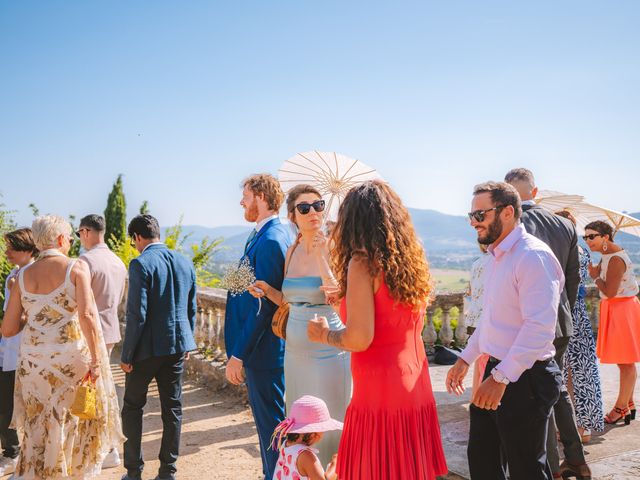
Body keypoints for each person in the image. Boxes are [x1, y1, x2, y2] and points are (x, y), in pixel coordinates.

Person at [308, 180, 447, 480]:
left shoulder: (362, 263)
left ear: (353, 220)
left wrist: (324, 335)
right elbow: (396, 322)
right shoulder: (409, 261)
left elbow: (359, 338)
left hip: (379, 390)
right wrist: (342, 301)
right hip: (415, 382)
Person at [446, 181, 563, 479]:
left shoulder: (532, 256)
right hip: (498, 371)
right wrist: (465, 358)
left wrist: (500, 378)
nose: (474, 223)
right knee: (483, 460)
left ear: (508, 212)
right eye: (471, 216)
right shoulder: (498, 255)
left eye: (480, 215)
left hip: (525, 378)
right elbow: (491, 320)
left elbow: (539, 329)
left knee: (526, 469)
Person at [1, 215, 123, 479]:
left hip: (34, 364)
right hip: (69, 360)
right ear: (59, 239)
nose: (70, 241)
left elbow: (8, 329)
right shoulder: (76, 268)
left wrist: (33, 316)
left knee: (38, 423)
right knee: (70, 421)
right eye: (69, 237)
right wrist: (96, 359)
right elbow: (88, 316)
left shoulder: (20, 277)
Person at [248, 184, 351, 467]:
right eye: (304, 208)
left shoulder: (334, 248)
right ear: (292, 216)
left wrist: (321, 257)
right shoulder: (291, 251)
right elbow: (290, 301)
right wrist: (268, 290)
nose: (313, 212)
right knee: (301, 422)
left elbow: (340, 299)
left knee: (330, 420)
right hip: (294, 353)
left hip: (328, 351)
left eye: (318, 205)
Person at [505, 168, 589, 479]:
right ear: (535, 192)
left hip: (526, 323)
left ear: (507, 194)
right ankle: (576, 459)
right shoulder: (565, 224)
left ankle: (550, 467)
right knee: (556, 391)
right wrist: (559, 310)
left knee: (532, 395)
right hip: (560, 319)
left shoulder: (512, 222)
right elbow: (572, 278)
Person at [224, 174, 294, 480]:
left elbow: (264, 307)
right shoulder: (260, 235)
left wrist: (239, 354)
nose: (241, 201)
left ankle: (276, 475)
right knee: (268, 427)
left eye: (246, 196)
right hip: (261, 352)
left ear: (262, 197)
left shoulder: (270, 240)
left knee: (273, 430)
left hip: (264, 353)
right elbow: (249, 287)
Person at [120, 214, 197, 480]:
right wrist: (188, 340)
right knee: (173, 409)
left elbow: (136, 314)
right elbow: (191, 307)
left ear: (137, 238)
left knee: (132, 407)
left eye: (134, 242)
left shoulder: (140, 263)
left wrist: (126, 354)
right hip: (176, 348)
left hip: (146, 350)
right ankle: (168, 471)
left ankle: (133, 471)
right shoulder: (184, 261)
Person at [583, 220, 640, 426]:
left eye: (592, 236)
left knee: (626, 362)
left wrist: (596, 277)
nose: (588, 240)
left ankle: (620, 407)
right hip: (617, 308)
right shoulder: (607, 256)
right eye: (585, 237)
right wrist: (599, 271)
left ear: (605, 237)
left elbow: (609, 291)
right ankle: (629, 402)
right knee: (623, 360)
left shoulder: (615, 259)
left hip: (621, 308)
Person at [555, 211, 604, 442]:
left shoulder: (560, 249)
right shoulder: (583, 250)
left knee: (562, 372)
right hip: (580, 314)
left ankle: (566, 427)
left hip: (562, 312)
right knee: (583, 372)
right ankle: (583, 427)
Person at [0, 228, 36, 477]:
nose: (7, 252)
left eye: (11, 248)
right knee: (3, 403)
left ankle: (13, 454)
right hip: (6, 349)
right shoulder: (13, 275)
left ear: (26, 249)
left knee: (13, 405)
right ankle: (11, 451)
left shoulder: (32, 276)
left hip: (23, 351)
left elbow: (30, 317)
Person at [77, 214, 127, 356]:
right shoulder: (118, 261)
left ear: (85, 232)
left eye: (78, 233)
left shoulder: (85, 260)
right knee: (104, 376)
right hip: (111, 329)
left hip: (89, 330)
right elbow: (119, 298)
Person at [270, 395, 341, 480]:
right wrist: (335, 464)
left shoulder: (286, 445)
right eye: (323, 429)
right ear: (313, 434)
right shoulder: (306, 456)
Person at [463, 243, 491, 393]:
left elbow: (471, 292)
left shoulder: (476, 263)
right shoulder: (498, 262)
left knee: (478, 365)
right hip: (487, 321)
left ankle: (475, 399)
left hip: (474, 320)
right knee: (487, 367)